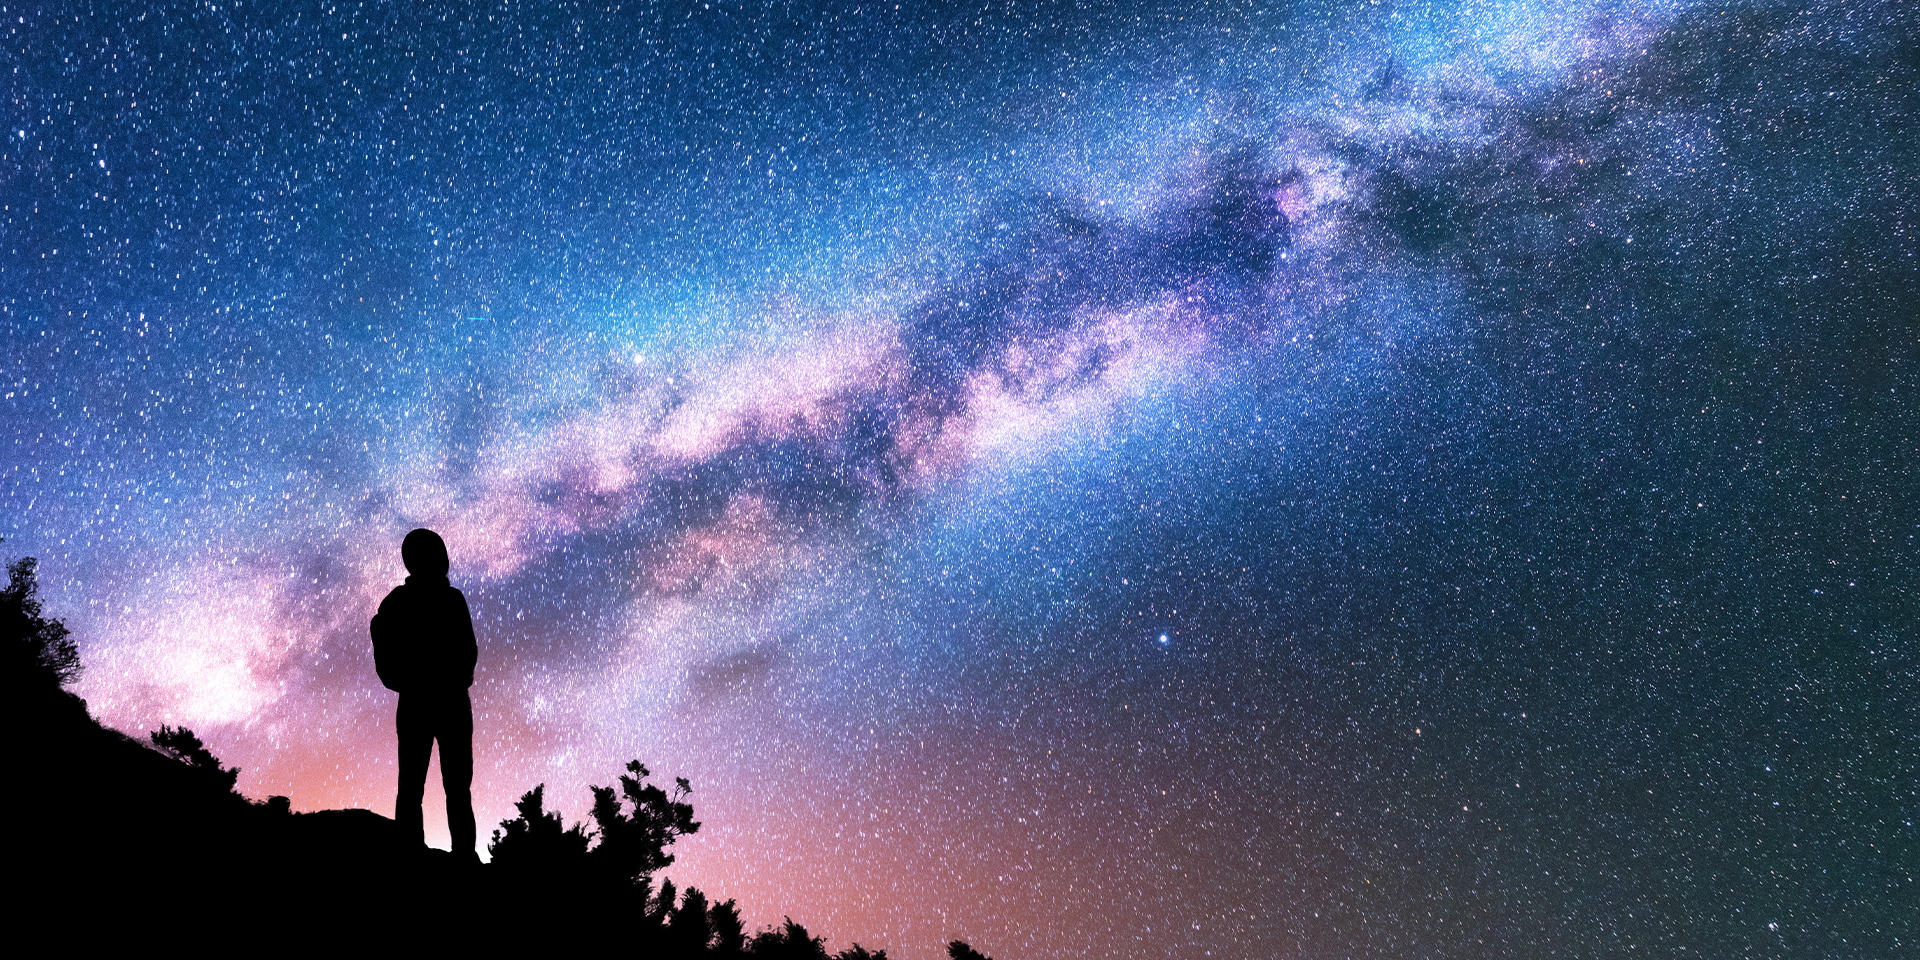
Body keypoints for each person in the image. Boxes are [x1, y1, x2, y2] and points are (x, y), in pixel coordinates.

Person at [370, 528, 478, 859]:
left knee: (445, 786)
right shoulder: (407, 603)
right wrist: (410, 679)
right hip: (437, 700)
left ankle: (450, 852)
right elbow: (467, 650)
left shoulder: (437, 600)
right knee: (425, 786)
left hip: (436, 700)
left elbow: (468, 650)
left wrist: (410, 679)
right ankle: (420, 852)